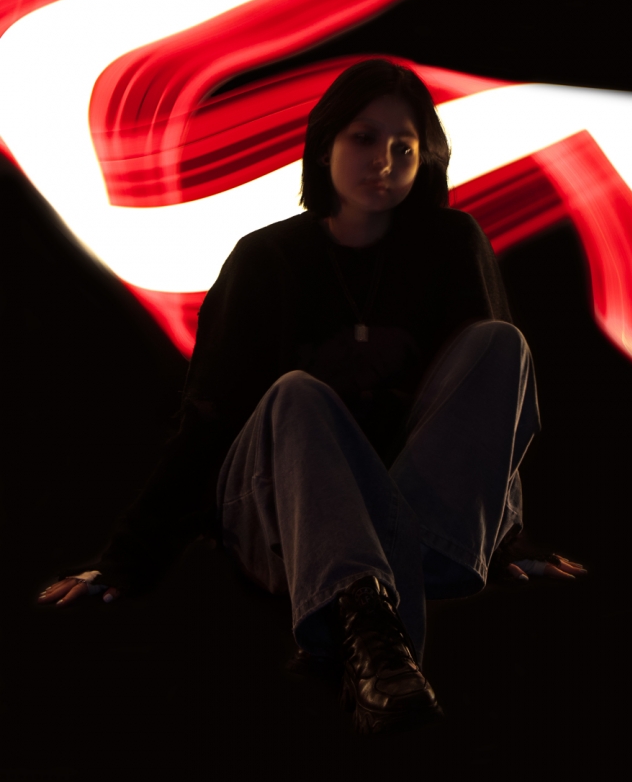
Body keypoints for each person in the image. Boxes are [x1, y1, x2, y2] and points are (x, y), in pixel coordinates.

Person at [38, 59, 585, 736]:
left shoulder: (452, 246)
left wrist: (505, 538)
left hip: (416, 520)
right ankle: (361, 613)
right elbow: (208, 421)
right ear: (324, 145)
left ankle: (376, 608)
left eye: (405, 147)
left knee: (500, 344)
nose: (383, 162)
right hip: (280, 521)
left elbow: (481, 412)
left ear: (427, 159)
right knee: (298, 394)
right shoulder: (265, 259)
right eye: (364, 138)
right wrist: (128, 560)